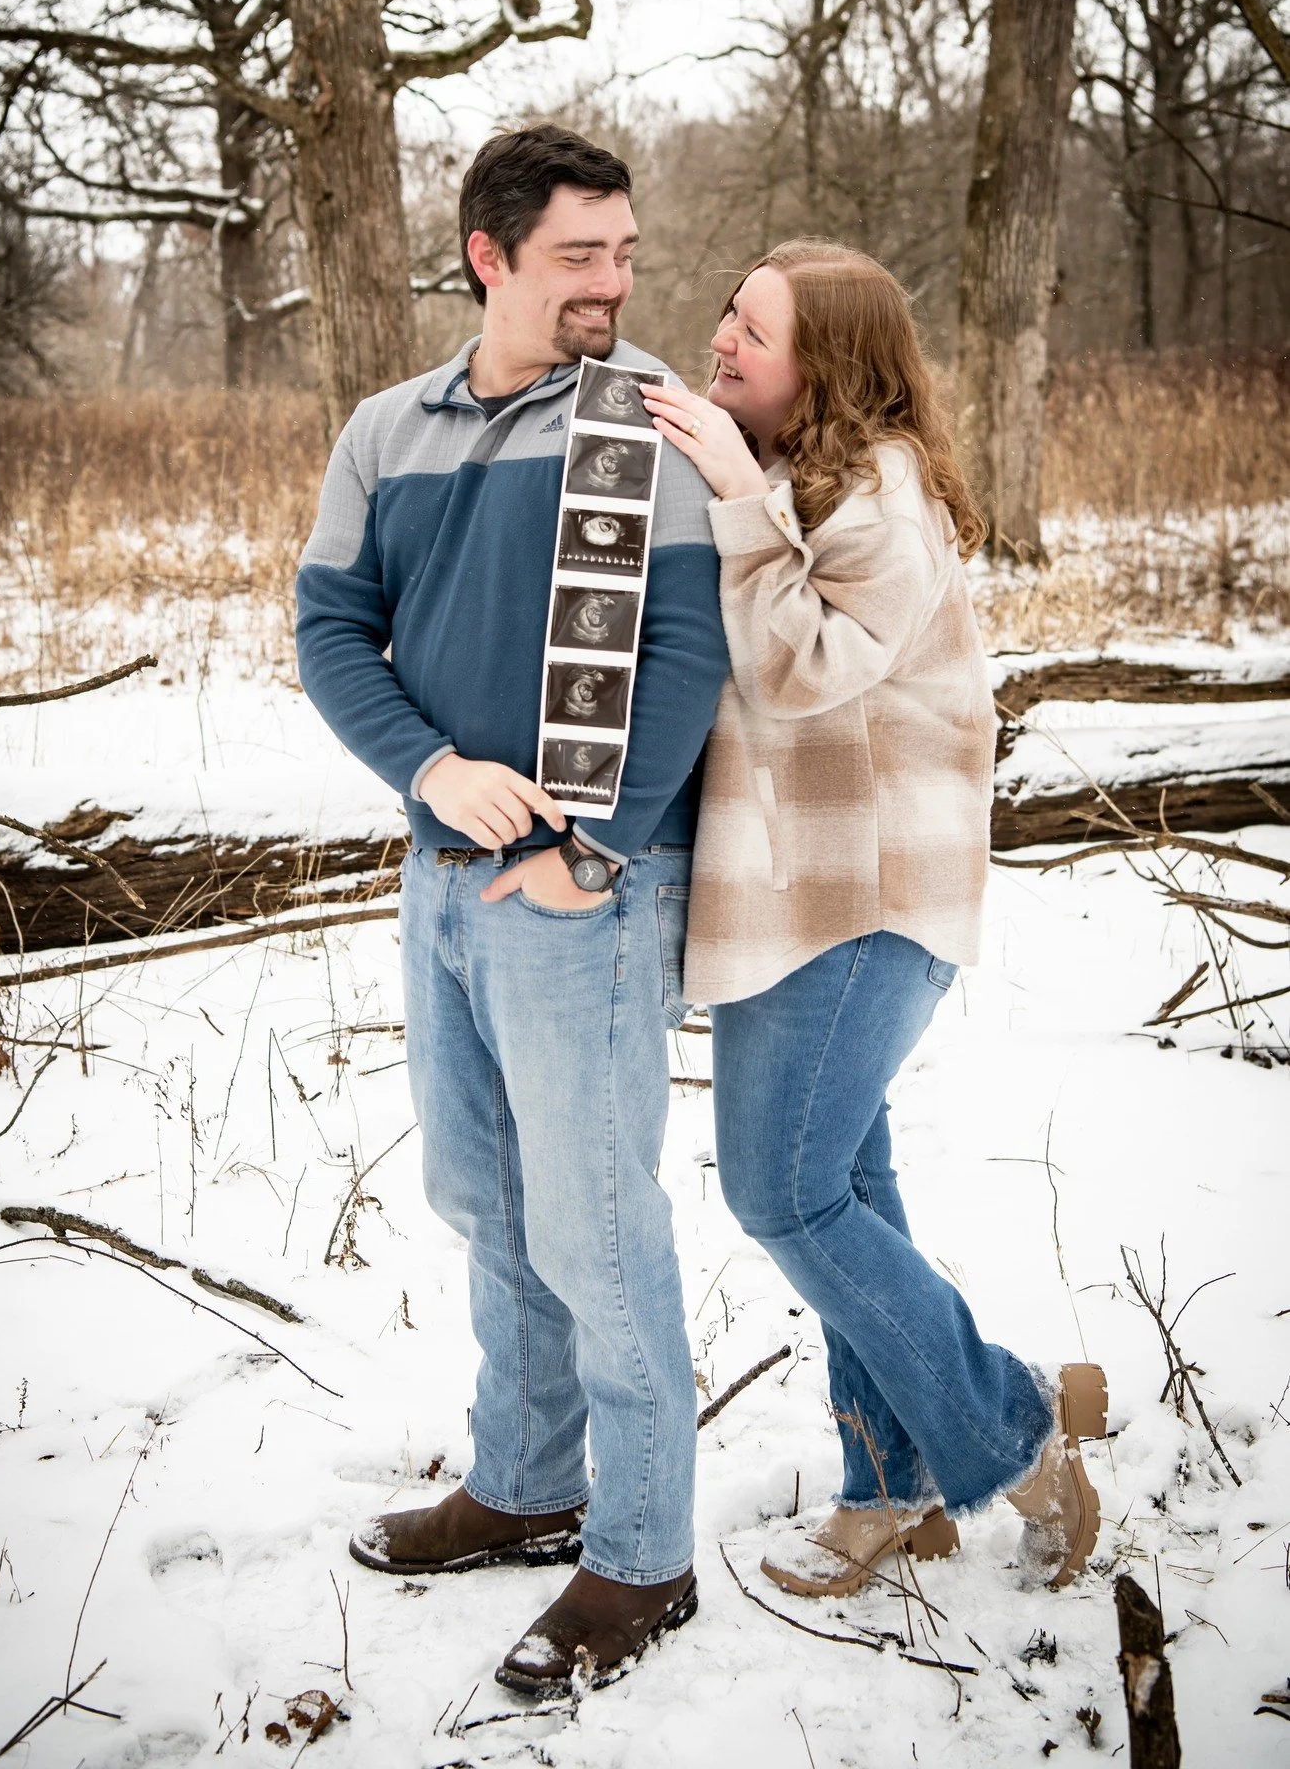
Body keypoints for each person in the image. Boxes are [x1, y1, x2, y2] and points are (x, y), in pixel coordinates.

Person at [295, 125, 730, 1696]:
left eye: (624, 252)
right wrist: (426, 768)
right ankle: (531, 1482)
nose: (614, 284)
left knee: (594, 1225)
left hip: (584, 893)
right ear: (489, 257)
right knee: (481, 1198)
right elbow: (331, 624)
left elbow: (685, 649)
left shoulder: (639, 417)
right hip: (445, 876)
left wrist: (589, 846)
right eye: (578, 258)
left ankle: (644, 1556)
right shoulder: (383, 430)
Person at [641, 241, 1109, 1600]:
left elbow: (799, 669)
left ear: (826, 370)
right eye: (729, 312)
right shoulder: (800, 477)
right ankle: (890, 1483)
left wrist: (732, 496)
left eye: (756, 331)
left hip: (863, 899)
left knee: (783, 1190)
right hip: (797, 892)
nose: (723, 339)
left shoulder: (881, 502)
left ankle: (1015, 1432)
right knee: (846, 1187)